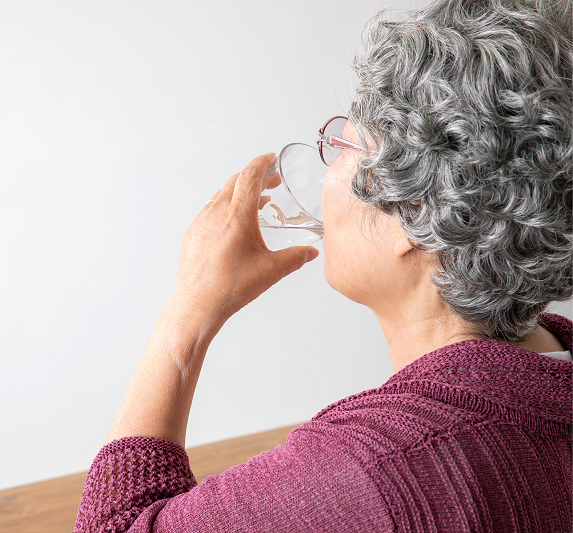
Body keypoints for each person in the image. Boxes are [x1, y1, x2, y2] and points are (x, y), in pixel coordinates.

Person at [74, 0, 572, 530]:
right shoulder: (551, 367)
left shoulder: (374, 471)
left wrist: (189, 310)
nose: (325, 169)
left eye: (343, 145)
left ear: (416, 213)